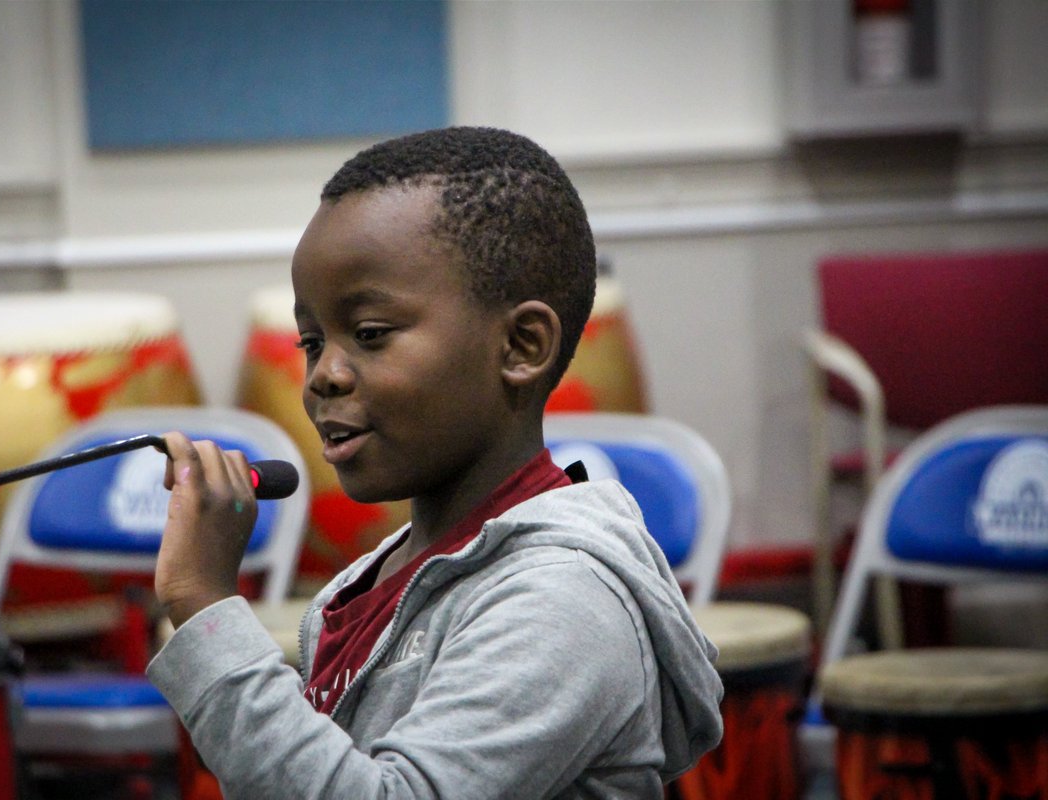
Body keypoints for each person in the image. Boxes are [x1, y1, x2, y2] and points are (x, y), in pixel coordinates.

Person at [148, 126, 723, 799]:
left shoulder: (564, 598)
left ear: (521, 346)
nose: (322, 376)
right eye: (312, 342)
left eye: (368, 335)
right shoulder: (360, 587)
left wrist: (205, 603)